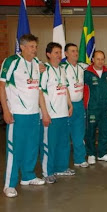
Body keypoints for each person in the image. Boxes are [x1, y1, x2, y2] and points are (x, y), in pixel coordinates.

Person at [0, 34, 45, 198]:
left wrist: (42, 110)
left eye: (36, 46)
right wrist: (5, 110)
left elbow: (38, 89)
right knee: (14, 149)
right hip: (17, 114)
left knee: (32, 147)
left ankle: (28, 175)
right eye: (32, 46)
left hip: (34, 114)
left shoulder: (36, 64)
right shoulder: (11, 61)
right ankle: (9, 184)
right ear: (23, 47)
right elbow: (2, 85)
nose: (35, 50)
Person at [40, 42, 74, 184]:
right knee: (49, 144)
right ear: (48, 54)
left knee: (63, 143)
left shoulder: (62, 69)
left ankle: (61, 167)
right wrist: (45, 113)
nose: (59, 55)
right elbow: (40, 92)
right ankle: (47, 172)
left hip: (63, 113)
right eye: (56, 52)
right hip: (51, 115)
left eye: (60, 52)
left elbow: (65, 88)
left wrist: (70, 105)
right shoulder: (44, 70)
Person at [84, 50, 107, 164]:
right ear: (93, 60)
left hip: (106, 107)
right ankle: (91, 154)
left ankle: (103, 153)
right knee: (90, 131)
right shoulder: (87, 73)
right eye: (98, 59)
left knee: (105, 131)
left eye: (102, 59)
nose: (100, 61)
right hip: (92, 107)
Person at [62, 43, 88, 168]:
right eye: (72, 51)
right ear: (66, 54)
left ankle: (79, 159)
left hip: (79, 104)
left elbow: (98, 66)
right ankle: (63, 162)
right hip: (66, 105)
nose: (76, 53)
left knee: (79, 133)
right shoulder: (62, 67)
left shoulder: (82, 67)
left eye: (76, 51)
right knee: (65, 135)